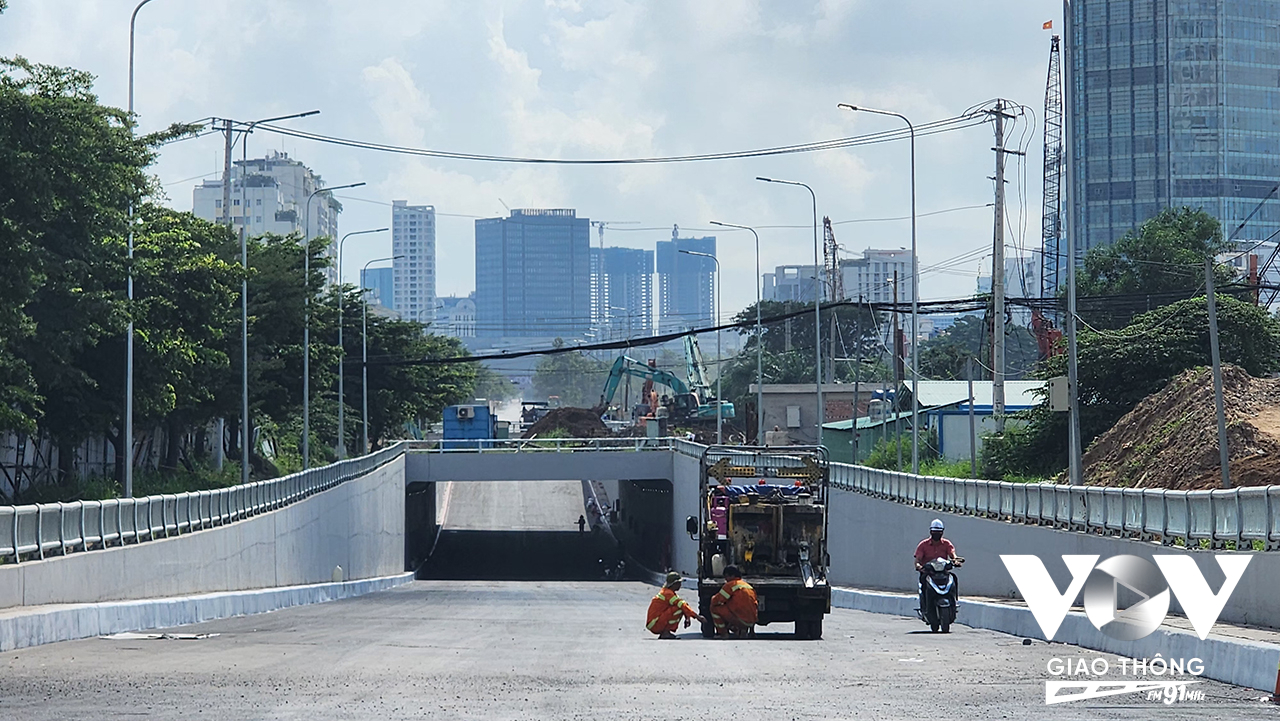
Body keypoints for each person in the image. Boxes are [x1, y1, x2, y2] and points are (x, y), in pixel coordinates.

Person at [914, 519, 962, 611]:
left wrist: (955, 561)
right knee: (923, 582)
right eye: (934, 532)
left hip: (943, 573)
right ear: (930, 532)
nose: (937, 534)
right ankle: (925, 606)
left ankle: (954, 602)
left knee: (954, 578)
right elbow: (918, 559)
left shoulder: (947, 544)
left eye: (939, 532)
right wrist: (919, 566)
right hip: (928, 573)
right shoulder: (923, 545)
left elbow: (953, 554)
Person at [646, 572, 704, 639]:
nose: (680, 585)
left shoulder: (668, 592)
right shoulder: (668, 594)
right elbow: (682, 605)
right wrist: (697, 617)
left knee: (681, 607)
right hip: (655, 623)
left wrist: (687, 616)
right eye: (678, 583)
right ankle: (665, 632)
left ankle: (665, 631)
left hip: (654, 622)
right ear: (673, 584)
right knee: (678, 608)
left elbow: (682, 604)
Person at [709, 565, 757, 638]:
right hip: (751, 621)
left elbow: (716, 601)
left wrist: (712, 598)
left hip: (740, 619)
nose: (726, 579)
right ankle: (742, 630)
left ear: (732, 576)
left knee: (714, 608)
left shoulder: (730, 585)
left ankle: (723, 633)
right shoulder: (747, 586)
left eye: (727, 577)